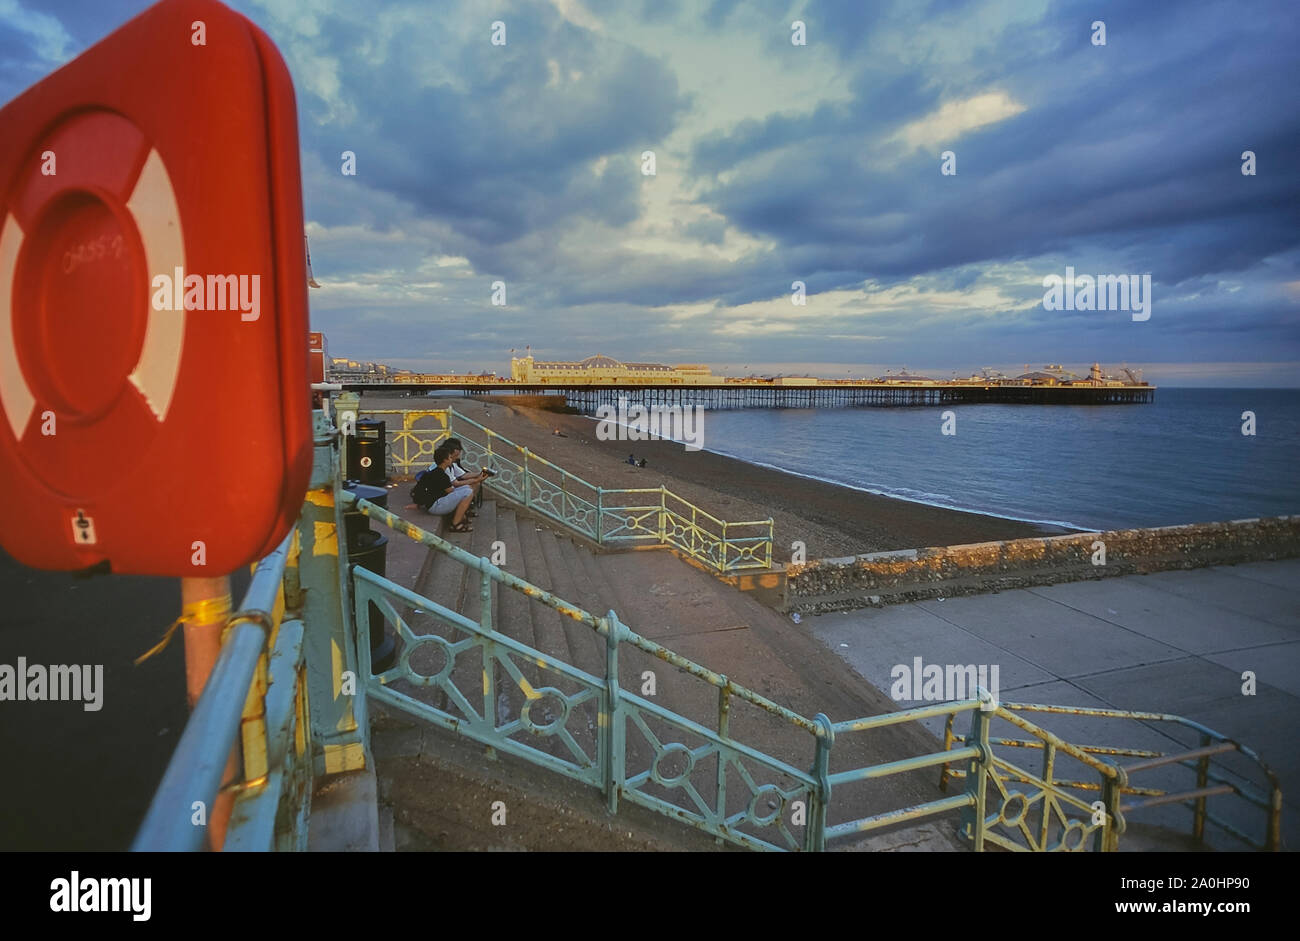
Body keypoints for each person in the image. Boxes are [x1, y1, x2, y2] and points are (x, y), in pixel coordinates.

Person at [418, 444, 475, 532]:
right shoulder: (441, 475)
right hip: (435, 506)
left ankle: (460, 516)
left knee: (467, 489)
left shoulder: (438, 471)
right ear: (445, 460)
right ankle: (455, 524)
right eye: (450, 458)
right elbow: (450, 491)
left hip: (436, 502)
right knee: (467, 493)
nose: (452, 459)